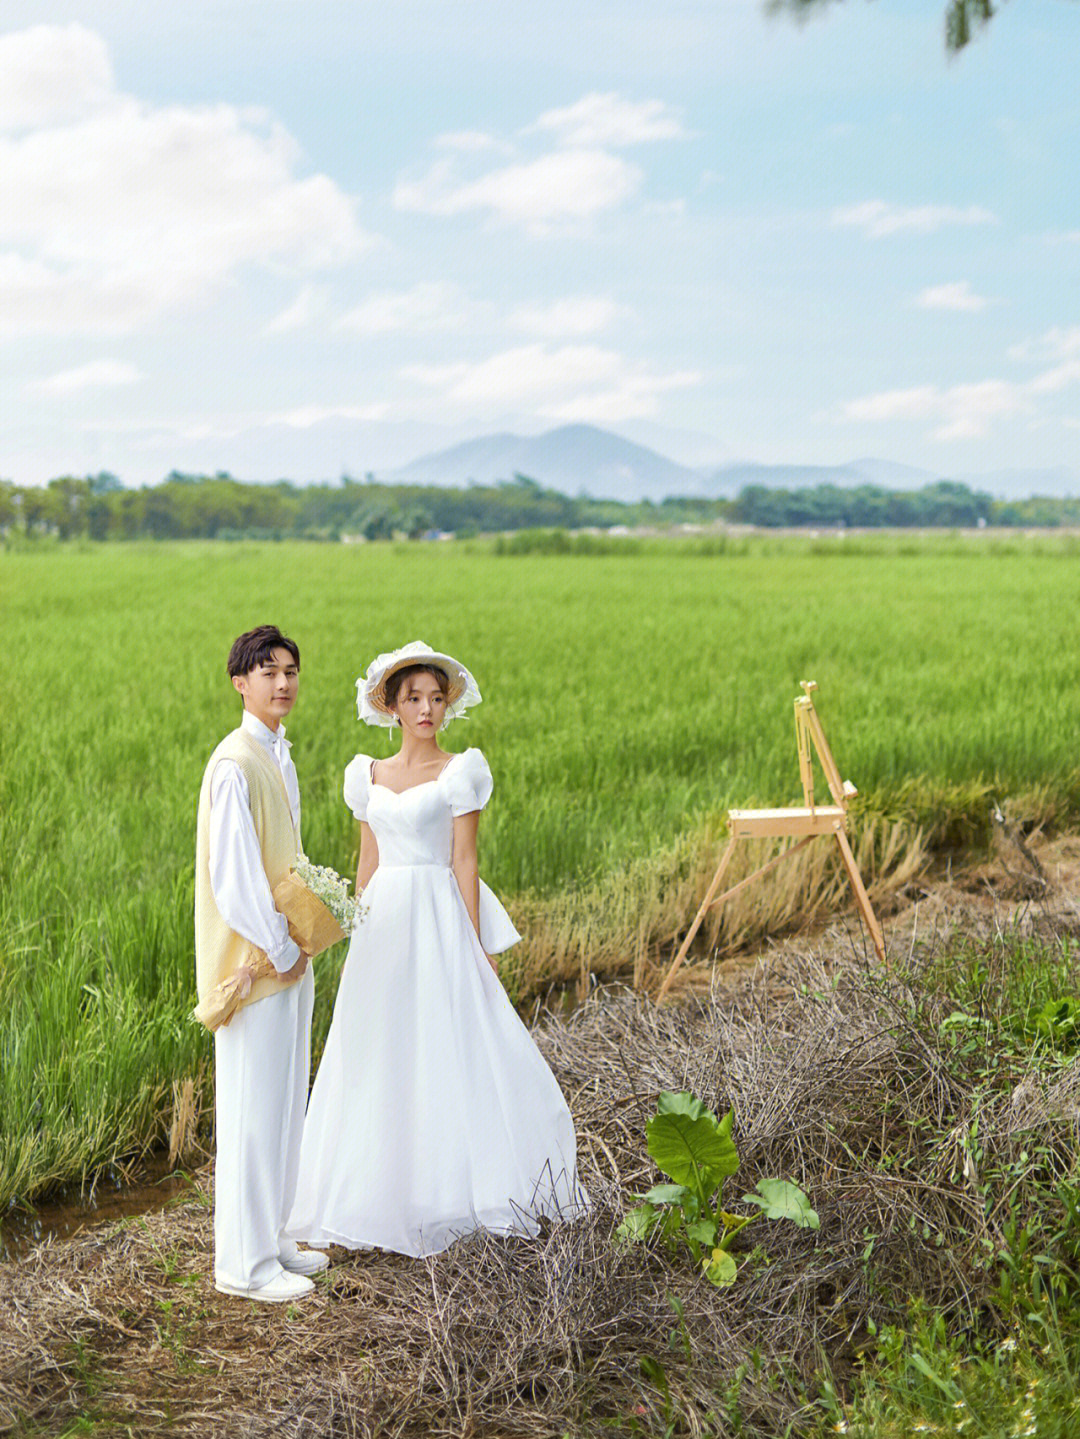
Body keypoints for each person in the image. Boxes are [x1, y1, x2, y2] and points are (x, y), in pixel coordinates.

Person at [286, 641, 587, 1257]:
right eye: (413, 699)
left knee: (450, 1043)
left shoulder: (461, 771)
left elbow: (465, 859)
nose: (426, 709)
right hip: (384, 927)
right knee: (380, 1047)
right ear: (391, 707)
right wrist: (342, 926)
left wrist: (475, 945)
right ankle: (378, 1195)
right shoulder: (364, 776)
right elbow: (366, 863)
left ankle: (457, 1189)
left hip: (439, 917)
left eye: (435, 699)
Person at [194, 625, 327, 1301]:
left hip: (288, 955)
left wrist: (300, 942)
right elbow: (235, 880)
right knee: (251, 1109)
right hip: (255, 964)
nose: (283, 681)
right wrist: (281, 948)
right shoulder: (235, 764)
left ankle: (272, 1239)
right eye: (268, 670)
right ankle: (241, 1267)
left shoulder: (279, 754)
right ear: (240, 682)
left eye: (291, 670)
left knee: (282, 1104)